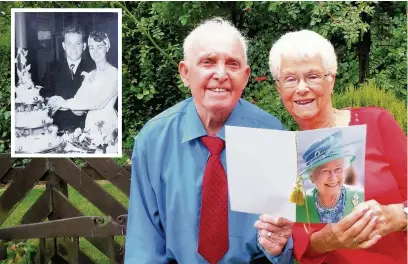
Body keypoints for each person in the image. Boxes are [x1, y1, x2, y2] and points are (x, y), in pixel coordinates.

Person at [125, 18, 294, 264]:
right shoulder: (154, 140)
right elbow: (145, 244)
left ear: (245, 76)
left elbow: (283, 239)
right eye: (208, 62)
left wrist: (280, 246)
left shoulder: (271, 135)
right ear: (185, 73)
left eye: (233, 64)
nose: (221, 74)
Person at [268, 29, 407, 263]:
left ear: (331, 78)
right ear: (279, 88)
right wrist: (329, 239)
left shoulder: (376, 122)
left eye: (312, 76)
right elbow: (300, 247)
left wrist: (398, 216)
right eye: (290, 79)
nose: (301, 87)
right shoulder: (283, 155)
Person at [48, 31, 118, 141]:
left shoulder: (114, 73)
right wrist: (58, 102)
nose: (95, 52)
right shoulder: (90, 75)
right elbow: (78, 98)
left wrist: (65, 103)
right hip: (89, 127)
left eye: (99, 47)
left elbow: (97, 103)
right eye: (92, 47)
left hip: (106, 127)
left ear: (107, 47)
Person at [296, 130, 364, 224]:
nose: (333, 177)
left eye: (338, 169)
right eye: (325, 171)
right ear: (312, 177)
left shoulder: (361, 197)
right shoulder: (300, 204)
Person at [41, 25, 95, 135]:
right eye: (69, 44)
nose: (73, 48)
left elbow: (101, 99)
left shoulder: (93, 68)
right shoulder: (52, 67)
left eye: (77, 44)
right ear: (64, 46)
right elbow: (43, 95)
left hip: (86, 130)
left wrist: (86, 109)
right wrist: (51, 101)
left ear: (84, 46)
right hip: (57, 130)